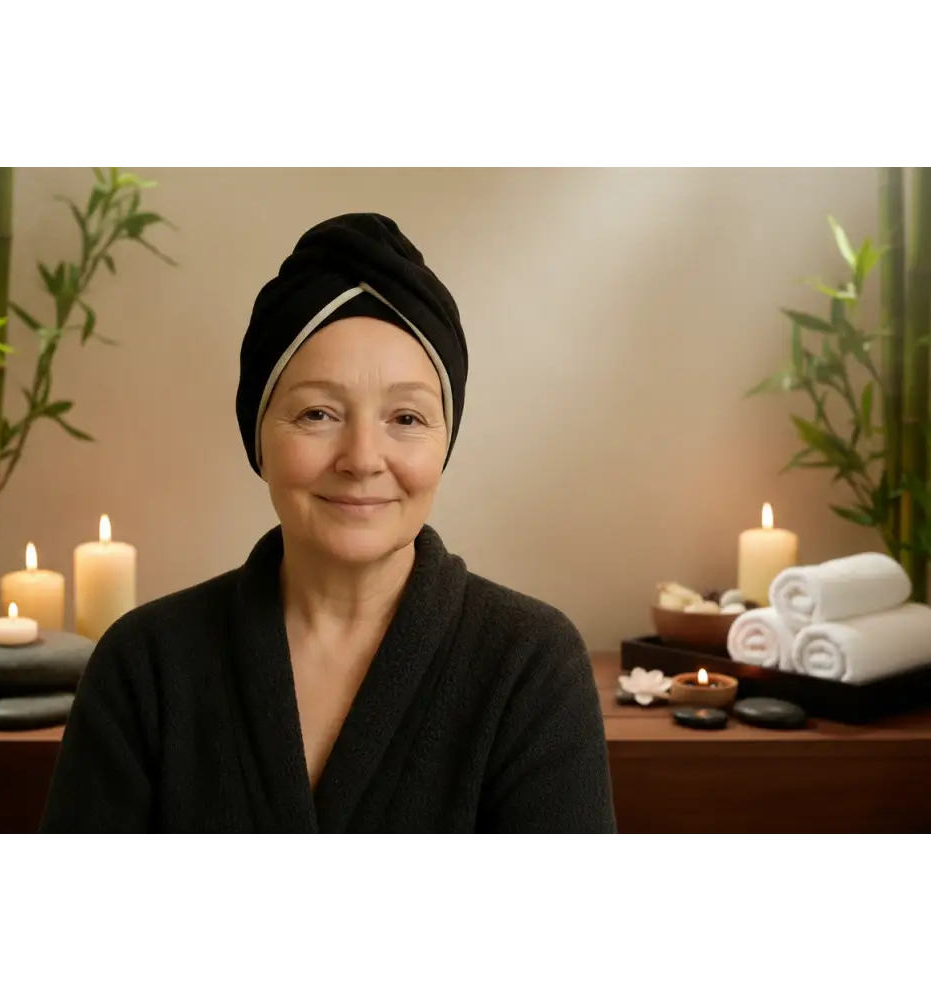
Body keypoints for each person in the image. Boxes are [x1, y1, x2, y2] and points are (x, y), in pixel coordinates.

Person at [38, 212, 617, 839]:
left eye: (407, 418)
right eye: (317, 413)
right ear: (258, 436)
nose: (363, 458)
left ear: (444, 443)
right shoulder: (145, 664)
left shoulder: (529, 662)